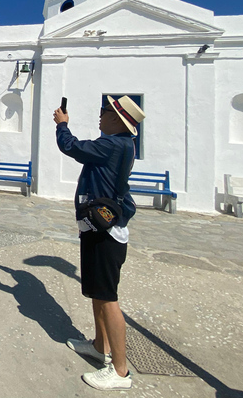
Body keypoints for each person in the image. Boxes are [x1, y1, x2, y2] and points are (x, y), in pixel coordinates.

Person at [53, 95, 145, 391]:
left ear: (118, 120)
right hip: (98, 227)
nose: (100, 116)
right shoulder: (123, 145)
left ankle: (120, 372)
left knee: (108, 299)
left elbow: (72, 147)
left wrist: (62, 125)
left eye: (104, 112)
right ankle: (99, 346)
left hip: (106, 233)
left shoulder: (112, 144)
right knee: (97, 292)